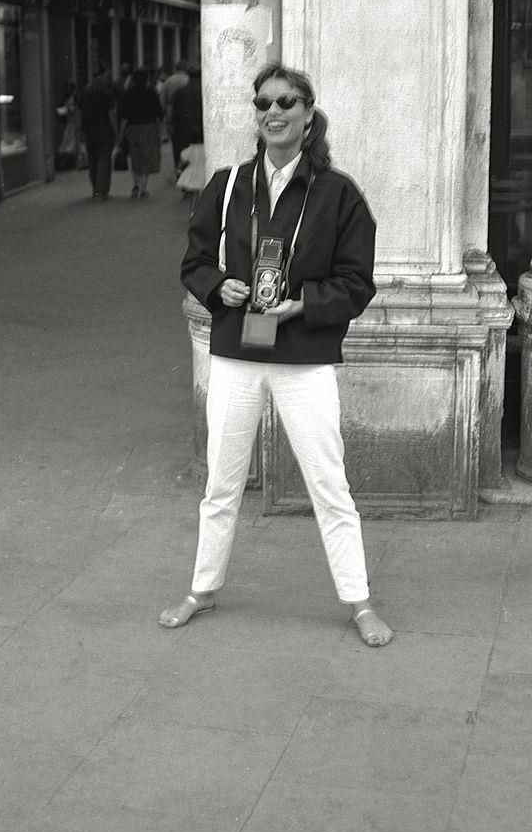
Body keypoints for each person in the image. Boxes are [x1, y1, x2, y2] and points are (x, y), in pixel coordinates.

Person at [158, 62, 394, 648]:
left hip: (303, 354)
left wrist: (302, 305)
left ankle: (359, 601)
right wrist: (220, 287)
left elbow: (357, 283)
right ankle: (203, 588)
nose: (274, 113)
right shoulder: (229, 184)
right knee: (222, 482)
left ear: (308, 115)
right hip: (237, 351)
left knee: (329, 484)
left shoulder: (338, 194)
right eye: (264, 104)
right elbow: (193, 263)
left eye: (287, 103)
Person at [117, 67, 164, 199]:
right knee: (146, 157)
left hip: (132, 129)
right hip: (149, 128)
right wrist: (160, 132)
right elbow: (159, 114)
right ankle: (143, 187)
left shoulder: (127, 94)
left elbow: (123, 117)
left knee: (135, 157)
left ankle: (136, 185)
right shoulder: (151, 93)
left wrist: (121, 135)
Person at [79, 63, 117, 200]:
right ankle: (101, 190)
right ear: (104, 74)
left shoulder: (86, 90)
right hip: (105, 128)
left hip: (89, 129)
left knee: (93, 159)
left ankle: (95, 188)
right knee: (104, 159)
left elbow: (81, 111)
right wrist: (116, 130)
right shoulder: (106, 91)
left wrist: (82, 130)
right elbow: (111, 113)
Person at [160, 58, 190, 160]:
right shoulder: (188, 80)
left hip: (173, 118)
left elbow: (163, 101)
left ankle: (178, 167)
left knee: (177, 146)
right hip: (187, 117)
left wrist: (167, 119)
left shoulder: (168, 81)